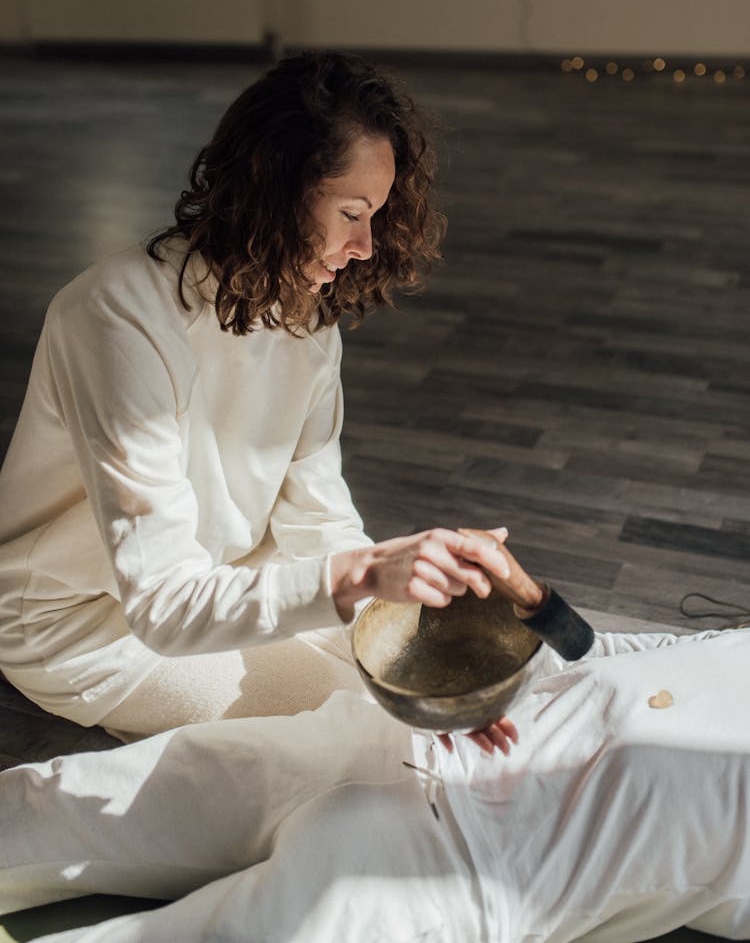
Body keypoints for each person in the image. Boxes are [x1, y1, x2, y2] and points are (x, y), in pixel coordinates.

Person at [0, 51, 513, 741]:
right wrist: (364, 578)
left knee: (415, 704)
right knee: (362, 734)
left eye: (376, 215)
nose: (364, 245)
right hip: (81, 624)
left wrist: (425, 681)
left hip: (223, 578)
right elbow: (164, 605)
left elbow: (317, 528)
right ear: (276, 186)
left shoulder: (306, 322)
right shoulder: (114, 316)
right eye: (351, 212)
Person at [1, 609, 748, 942]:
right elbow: (619, 652)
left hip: (456, 873)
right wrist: (524, 627)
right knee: (71, 795)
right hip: (393, 739)